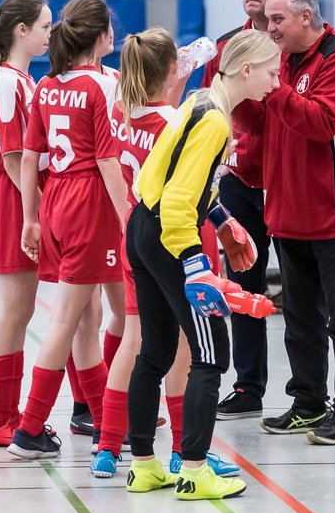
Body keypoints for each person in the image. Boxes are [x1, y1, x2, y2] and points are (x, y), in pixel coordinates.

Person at [124, 29, 281, 500]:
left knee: (154, 351)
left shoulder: (198, 103)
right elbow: (176, 200)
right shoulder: (214, 122)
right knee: (211, 352)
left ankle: (144, 465)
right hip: (170, 237)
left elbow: (178, 180)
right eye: (272, 73)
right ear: (248, 69)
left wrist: (225, 222)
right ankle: (194, 469)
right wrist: (196, 266)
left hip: (142, 230)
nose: (275, 83)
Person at [89, 28, 241, 482]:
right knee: (181, 347)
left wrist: (184, 59)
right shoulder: (176, 121)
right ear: (172, 71)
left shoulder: (122, 110)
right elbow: (187, 186)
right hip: (170, 236)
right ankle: (182, 449)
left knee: (135, 343)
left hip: (133, 234)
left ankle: (109, 446)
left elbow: (163, 71)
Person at [246, 0, 335, 446]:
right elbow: (267, 124)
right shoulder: (281, 60)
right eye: (267, 19)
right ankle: (307, 404)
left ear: (306, 17)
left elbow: (322, 122)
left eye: (278, 19)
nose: (270, 27)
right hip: (288, 211)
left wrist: (272, 89)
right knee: (299, 319)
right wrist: (244, 97)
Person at [7, 0, 129, 461]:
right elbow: (106, 158)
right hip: (90, 202)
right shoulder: (101, 86)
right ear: (100, 37)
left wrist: (31, 217)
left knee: (99, 314)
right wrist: (128, 215)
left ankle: (105, 420)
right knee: (75, 318)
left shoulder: (47, 85)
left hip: (56, 198)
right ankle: (30, 428)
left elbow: (31, 156)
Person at [208, 0, 297, 422]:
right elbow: (209, 110)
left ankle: (308, 392)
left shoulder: (298, 49)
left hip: (289, 183)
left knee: (302, 290)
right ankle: (248, 384)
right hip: (240, 182)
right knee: (242, 283)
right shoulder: (227, 47)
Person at [0, 0, 53, 448]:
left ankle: (10, 410)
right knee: (14, 307)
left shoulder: (24, 80)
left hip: (21, 195)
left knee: (21, 309)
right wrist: (35, 212)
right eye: (43, 25)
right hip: (12, 197)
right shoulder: (9, 82)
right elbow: (11, 156)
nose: (49, 33)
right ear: (21, 30)